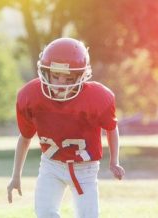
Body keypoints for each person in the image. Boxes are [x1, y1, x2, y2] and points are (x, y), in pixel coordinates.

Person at [7, 37, 125, 218]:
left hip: (85, 169)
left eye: (69, 78)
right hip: (51, 166)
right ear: (45, 72)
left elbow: (111, 128)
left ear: (81, 76)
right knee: (45, 213)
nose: (60, 83)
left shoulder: (97, 97)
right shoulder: (30, 96)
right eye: (55, 76)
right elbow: (24, 138)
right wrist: (16, 176)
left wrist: (114, 161)